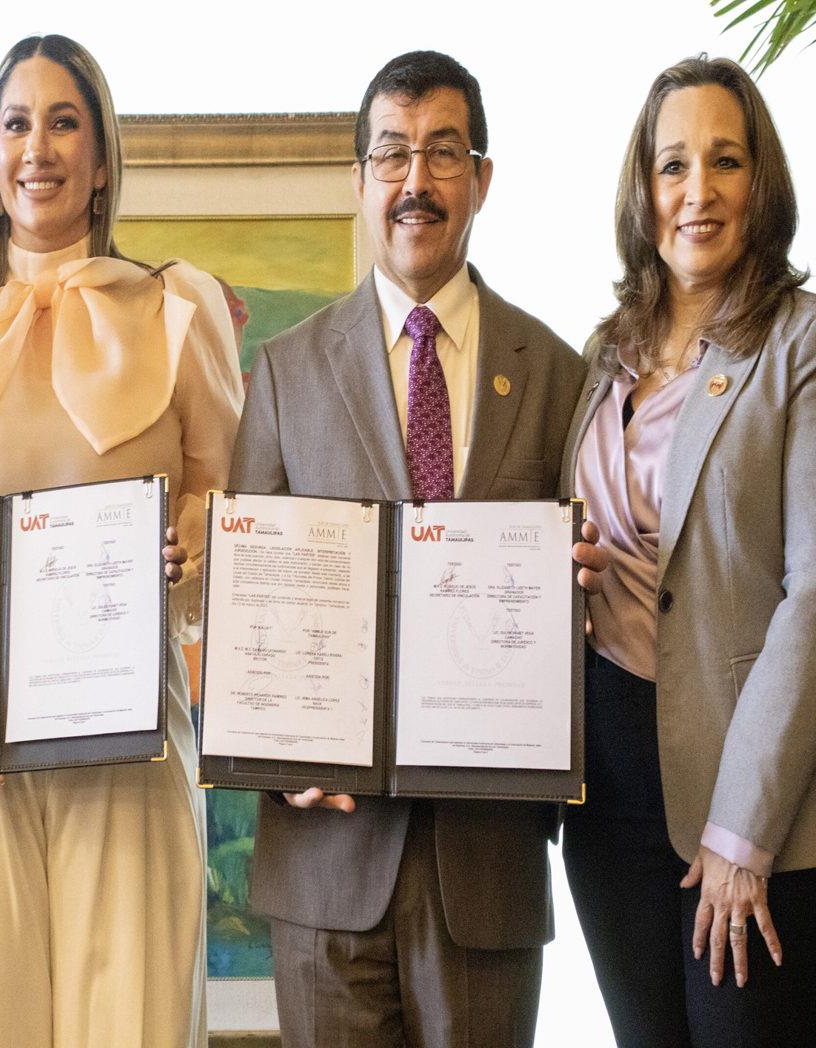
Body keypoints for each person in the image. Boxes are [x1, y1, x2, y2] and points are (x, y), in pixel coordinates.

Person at [0, 34, 243, 1048]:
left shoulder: (176, 311)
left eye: (63, 121)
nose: (38, 146)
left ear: (103, 157)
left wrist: (192, 549)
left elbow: (221, 501)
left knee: (128, 1022)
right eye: (16, 122)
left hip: (129, 748)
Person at [230, 50, 603, 1047]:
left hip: (482, 868)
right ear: (357, 182)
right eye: (390, 153)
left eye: (443, 152)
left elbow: (583, 617)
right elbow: (240, 611)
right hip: (323, 859)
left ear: (480, 178)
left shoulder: (560, 375)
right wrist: (273, 757)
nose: (415, 181)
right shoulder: (280, 371)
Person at [561, 55, 816, 1048]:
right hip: (606, 790)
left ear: (762, 181)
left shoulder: (796, 343)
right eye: (672, 165)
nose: (695, 192)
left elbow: (810, 596)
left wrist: (741, 832)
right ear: (643, 188)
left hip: (746, 801)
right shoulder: (606, 348)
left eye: (723, 160)